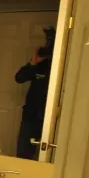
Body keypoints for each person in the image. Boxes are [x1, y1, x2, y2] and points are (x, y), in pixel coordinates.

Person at [14, 28, 55, 160]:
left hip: (51, 117)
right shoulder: (39, 65)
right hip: (31, 116)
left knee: (48, 154)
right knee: (23, 153)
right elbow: (19, 78)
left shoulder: (58, 66)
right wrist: (33, 63)